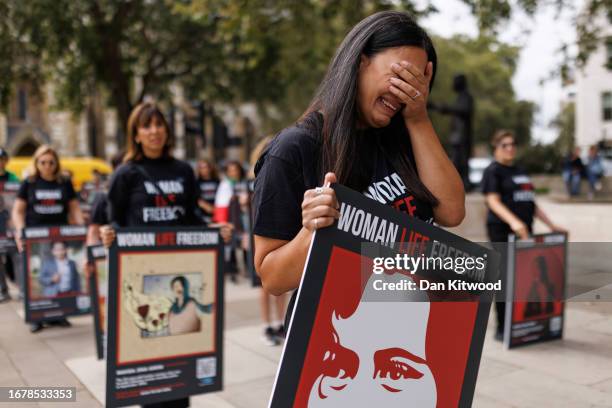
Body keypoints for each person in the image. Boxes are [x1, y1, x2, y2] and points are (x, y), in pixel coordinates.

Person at [253, 11, 465, 332]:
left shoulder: (405, 135)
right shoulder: (294, 148)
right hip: (338, 338)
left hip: (411, 328)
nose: (406, 91)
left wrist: (419, 118)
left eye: (419, 82)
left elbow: (451, 212)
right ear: (361, 61)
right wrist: (312, 231)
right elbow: (272, 277)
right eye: (401, 76)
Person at [101, 102, 229, 408]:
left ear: (167, 131)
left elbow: (192, 217)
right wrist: (110, 234)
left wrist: (214, 229)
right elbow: (115, 220)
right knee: (151, 371)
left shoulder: (183, 170)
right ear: (136, 133)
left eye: (159, 125)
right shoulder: (125, 174)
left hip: (179, 276)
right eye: (147, 126)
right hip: (144, 278)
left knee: (179, 368)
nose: (154, 131)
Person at [481, 129, 566, 340]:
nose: (510, 148)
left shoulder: (520, 170)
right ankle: (502, 327)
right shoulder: (493, 171)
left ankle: (522, 321)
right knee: (505, 277)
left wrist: (551, 224)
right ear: (496, 148)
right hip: (502, 230)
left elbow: (530, 202)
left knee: (525, 276)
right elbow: (492, 201)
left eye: (512, 144)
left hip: (525, 230)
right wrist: (513, 221)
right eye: (505, 145)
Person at [12, 145, 84, 332]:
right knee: (42, 275)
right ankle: (37, 316)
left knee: (61, 270)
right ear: (37, 163)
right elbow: (18, 211)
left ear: (56, 163)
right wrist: (20, 232)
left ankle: (58, 314)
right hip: (36, 237)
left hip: (59, 236)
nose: (47, 166)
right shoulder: (29, 182)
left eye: (51, 162)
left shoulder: (64, 182)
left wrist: (80, 230)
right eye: (43, 162)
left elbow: (74, 208)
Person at [195, 159, 219, 224]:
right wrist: (207, 207)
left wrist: (216, 210)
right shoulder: (196, 182)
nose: (204, 170)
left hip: (217, 214)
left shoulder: (218, 182)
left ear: (210, 168)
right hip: (202, 215)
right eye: (201, 168)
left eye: (205, 167)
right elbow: (196, 199)